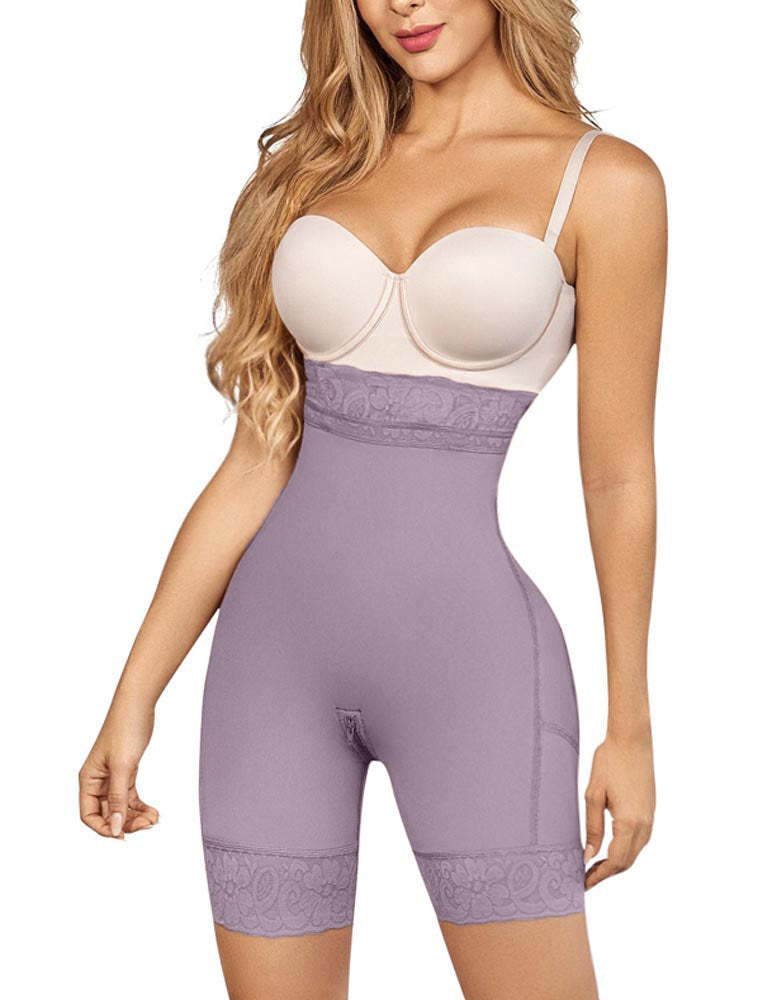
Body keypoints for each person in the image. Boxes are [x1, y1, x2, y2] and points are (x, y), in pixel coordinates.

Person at [79, 1, 666, 996]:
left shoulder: (604, 184)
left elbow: (616, 475)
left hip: (474, 671)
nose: (402, 4)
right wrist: (134, 694)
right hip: (269, 668)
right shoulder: (318, 166)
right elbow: (255, 460)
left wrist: (631, 724)